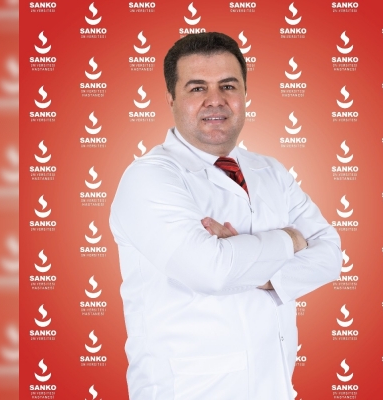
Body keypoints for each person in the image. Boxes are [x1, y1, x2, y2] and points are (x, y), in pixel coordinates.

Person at [110, 32, 342, 400]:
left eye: (228, 86)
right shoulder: (149, 177)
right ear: (171, 98)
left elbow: (331, 255)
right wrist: (290, 239)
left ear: (245, 94)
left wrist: (254, 268)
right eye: (197, 88)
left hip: (275, 387)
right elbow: (212, 271)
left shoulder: (270, 170)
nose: (215, 100)